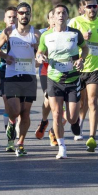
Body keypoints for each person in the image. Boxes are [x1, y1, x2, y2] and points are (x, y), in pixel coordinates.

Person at [36, 4, 88, 159]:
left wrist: (81, 59)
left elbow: (84, 48)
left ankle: (74, 120)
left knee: (71, 118)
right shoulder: (46, 35)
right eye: (57, 13)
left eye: (63, 13)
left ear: (67, 16)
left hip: (72, 79)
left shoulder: (75, 33)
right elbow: (40, 51)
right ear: (53, 16)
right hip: (54, 79)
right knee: (56, 113)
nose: (60, 15)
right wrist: (40, 57)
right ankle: (62, 147)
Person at [0, 2, 41, 156]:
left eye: (27, 13)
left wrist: (39, 55)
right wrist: (6, 56)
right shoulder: (9, 31)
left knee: (26, 112)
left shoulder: (36, 34)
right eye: (21, 13)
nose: (24, 15)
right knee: (15, 110)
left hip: (29, 76)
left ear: (30, 15)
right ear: (18, 15)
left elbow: (40, 53)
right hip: (12, 75)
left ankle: (20, 143)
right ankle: (12, 123)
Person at [68, 0, 98, 152]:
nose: (92, 9)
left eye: (95, 6)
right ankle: (76, 123)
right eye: (89, 6)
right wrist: (81, 37)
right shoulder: (75, 22)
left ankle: (92, 137)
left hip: (94, 67)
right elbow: (66, 41)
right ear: (83, 8)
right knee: (79, 103)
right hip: (77, 67)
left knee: (92, 102)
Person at [34, 10, 59, 146]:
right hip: (46, 71)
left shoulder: (67, 33)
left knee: (67, 109)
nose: (55, 20)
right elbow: (37, 53)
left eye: (57, 17)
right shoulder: (42, 34)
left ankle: (54, 131)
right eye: (52, 18)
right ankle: (44, 120)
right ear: (48, 20)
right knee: (48, 99)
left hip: (64, 72)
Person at [0, 6, 17, 137]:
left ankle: (15, 125)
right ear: (5, 19)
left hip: (21, 71)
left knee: (20, 101)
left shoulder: (24, 34)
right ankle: (9, 127)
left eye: (14, 17)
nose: (12, 19)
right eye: (9, 17)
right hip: (5, 70)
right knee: (7, 100)